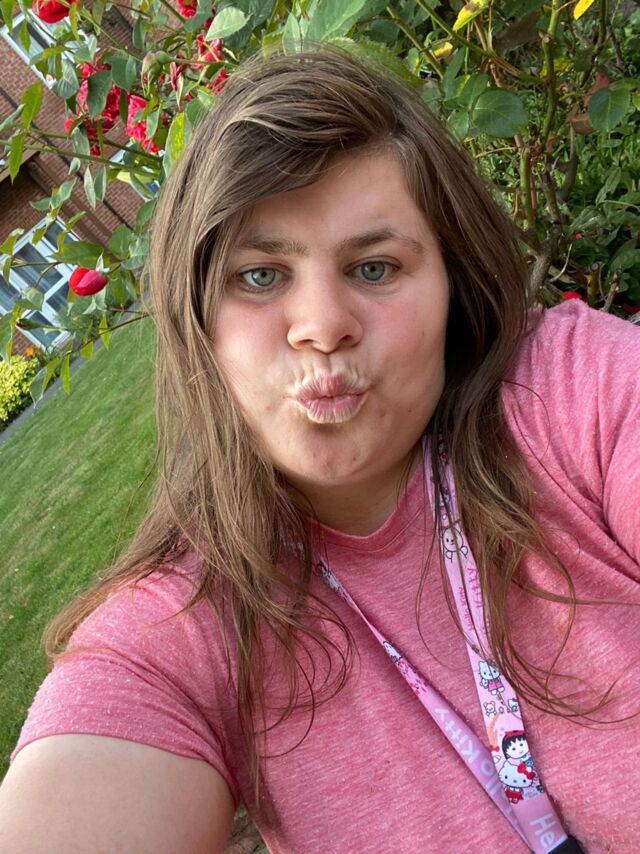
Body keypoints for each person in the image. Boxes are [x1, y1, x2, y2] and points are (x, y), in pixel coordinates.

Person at [1, 45, 639, 853]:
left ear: (452, 281)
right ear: (199, 322)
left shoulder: (572, 393)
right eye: (261, 276)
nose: (324, 325)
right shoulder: (178, 634)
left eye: (374, 267)